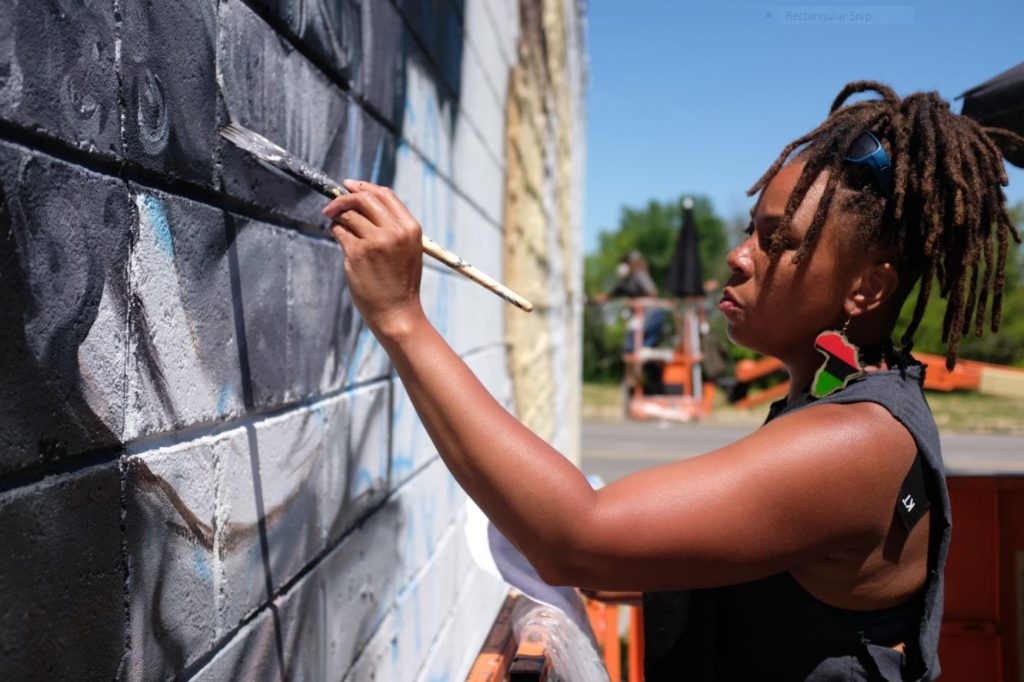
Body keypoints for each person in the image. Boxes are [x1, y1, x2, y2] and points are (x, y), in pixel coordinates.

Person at [321, 81, 1022, 680]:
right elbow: (615, 560)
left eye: (777, 241)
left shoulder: (857, 441)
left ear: (868, 287)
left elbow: (575, 539)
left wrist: (401, 317)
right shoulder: (844, 404)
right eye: (752, 229)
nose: (737, 256)